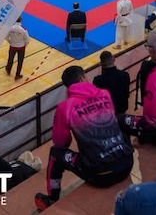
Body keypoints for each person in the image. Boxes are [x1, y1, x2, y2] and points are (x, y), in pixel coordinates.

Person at [34, 66, 134, 210]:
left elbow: (61, 142)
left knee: (55, 153)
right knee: (119, 120)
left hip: (99, 175)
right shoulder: (104, 94)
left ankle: (52, 198)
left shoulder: (65, 107)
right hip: (127, 164)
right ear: (83, 78)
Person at [92, 51, 130, 115]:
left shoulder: (97, 81)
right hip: (122, 107)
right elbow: (126, 93)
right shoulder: (124, 75)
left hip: (106, 110)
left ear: (101, 63)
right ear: (113, 59)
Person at [5, 16, 30, 81]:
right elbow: (27, 39)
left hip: (13, 46)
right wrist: (25, 45)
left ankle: (8, 70)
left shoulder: (11, 28)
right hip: (21, 47)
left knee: (10, 58)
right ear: (21, 20)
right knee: (20, 61)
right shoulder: (23, 29)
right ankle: (17, 75)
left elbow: (6, 36)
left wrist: (10, 42)